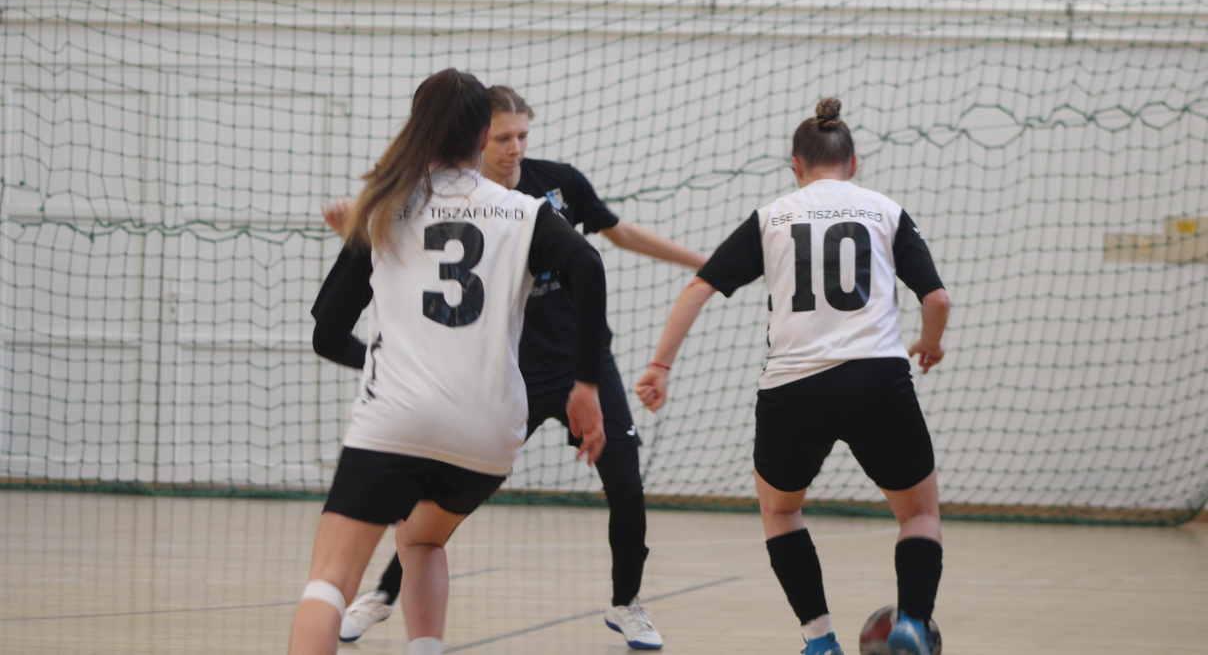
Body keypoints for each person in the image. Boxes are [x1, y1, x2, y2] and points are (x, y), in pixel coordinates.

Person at [326, 85, 707, 650]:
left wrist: (705, 264)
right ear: (477, 140)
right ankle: (383, 593)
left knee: (627, 486)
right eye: (503, 138)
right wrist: (358, 237)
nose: (515, 148)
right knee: (436, 503)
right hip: (506, 372)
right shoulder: (446, 202)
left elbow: (618, 234)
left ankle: (627, 603)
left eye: (523, 136)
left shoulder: (558, 186)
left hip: (580, 365)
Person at [288, 68, 608, 655]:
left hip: (395, 421)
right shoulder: (523, 211)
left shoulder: (384, 207)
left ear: (420, 128)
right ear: (484, 137)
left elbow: (327, 335)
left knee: (329, 583)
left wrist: (384, 361)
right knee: (421, 541)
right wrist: (585, 384)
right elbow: (588, 265)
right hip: (485, 433)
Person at [635, 98, 950, 655]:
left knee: (781, 511)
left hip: (792, 387)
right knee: (919, 514)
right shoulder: (884, 210)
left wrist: (660, 366)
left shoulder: (771, 217)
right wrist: (929, 342)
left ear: (795, 166)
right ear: (854, 163)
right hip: (877, 378)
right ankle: (912, 622)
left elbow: (698, 288)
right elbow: (937, 299)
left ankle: (819, 639)